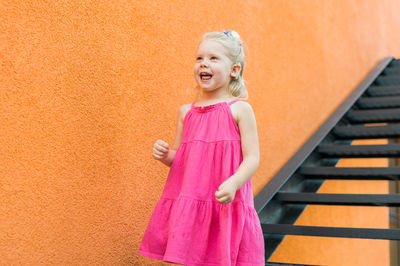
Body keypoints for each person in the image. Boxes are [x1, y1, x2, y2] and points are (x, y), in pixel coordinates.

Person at [138, 30, 265, 265]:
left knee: (220, 255)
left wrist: (234, 182)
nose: (203, 64)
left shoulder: (239, 110)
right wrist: (166, 155)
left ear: (234, 70)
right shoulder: (187, 112)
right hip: (192, 198)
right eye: (199, 58)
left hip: (224, 200)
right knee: (191, 256)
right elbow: (180, 159)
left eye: (213, 58)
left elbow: (252, 158)